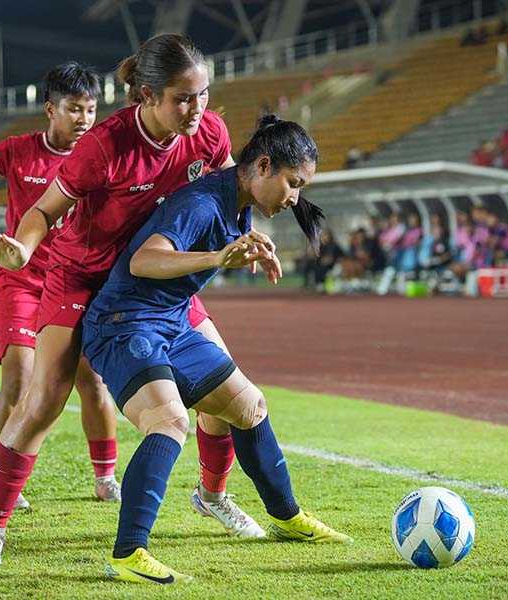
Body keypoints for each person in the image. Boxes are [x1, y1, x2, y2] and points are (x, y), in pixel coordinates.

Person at [0, 34, 266, 567]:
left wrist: (240, 241)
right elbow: (43, 210)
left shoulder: (210, 134)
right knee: (44, 400)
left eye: (203, 94)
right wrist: (21, 249)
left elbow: (221, 198)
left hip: (156, 283)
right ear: (145, 96)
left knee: (220, 378)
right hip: (82, 277)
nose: (197, 109)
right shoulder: (104, 144)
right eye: (182, 98)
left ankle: (213, 496)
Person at [84, 115, 351, 584]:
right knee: (169, 422)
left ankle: (287, 517)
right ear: (264, 165)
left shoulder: (238, 203)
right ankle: (128, 552)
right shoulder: (205, 202)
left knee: (249, 407)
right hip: (124, 324)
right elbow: (146, 259)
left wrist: (250, 246)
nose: (294, 198)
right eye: (293, 183)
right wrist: (217, 257)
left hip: (170, 323)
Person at [0, 63, 122, 513]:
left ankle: (105, 476)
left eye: (91, 110)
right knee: (17, 380)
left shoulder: (99, 156)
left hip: (75, 280)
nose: (84, 119)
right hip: (21, 280)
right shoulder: (18, 150)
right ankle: (8, 480)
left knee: (90, 379)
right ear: (50, 109)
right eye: (75, 109)